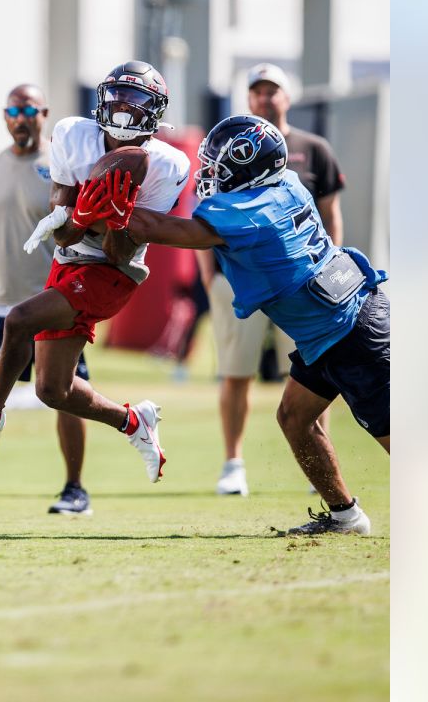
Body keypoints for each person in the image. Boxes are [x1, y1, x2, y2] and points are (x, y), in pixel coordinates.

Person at [122, 114, 389, 535]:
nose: (210, 172)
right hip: (332, 323)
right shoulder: (286, 184)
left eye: (218, 164)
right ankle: (345, 515)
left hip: (349, 333)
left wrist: (97, 202)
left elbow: (155, 227)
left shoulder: (251, 212)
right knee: (294, 418)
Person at [0, 61, 190, 485]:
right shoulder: (76, 134)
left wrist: (116, 218)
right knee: (54, 390)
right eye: (118, 97)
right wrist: (87, 211)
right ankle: (133, 422)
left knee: (18, 320)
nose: (125, 108)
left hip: (114, 271)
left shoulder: (167, 164)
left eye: (138, 100)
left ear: (156, 110)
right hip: (69, 259)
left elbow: (117, 249)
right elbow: (64, 234)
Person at [0, 84, 93, 516]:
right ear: (5, 116)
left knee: (65, 392)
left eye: (30, 109)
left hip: (56, 302)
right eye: (13, 110)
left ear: (44, 113)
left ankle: (75, 490)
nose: (21, 117)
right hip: (0, 306)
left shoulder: (63, 167)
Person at [201, 63, 348, 497]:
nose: (265, 98)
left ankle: (321, 465)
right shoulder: (224, 144)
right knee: (235, 371)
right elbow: (205, 217)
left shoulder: (312, 147)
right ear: (248, 99)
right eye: (257, 91)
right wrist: (211, 276)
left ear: (287, 97)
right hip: (239, 281)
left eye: (273, 91)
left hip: (303, 282)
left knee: (315, 371)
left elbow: (329, 214)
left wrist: (330, 267)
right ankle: (233, 463)